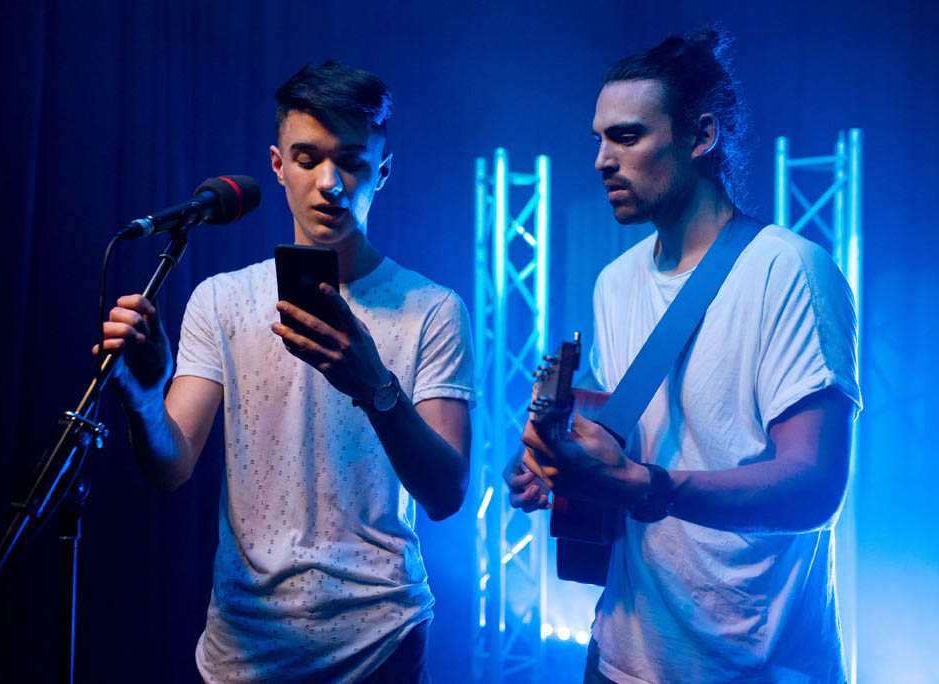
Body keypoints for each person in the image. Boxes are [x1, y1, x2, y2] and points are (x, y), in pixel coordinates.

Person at [99, 61, 474, 683]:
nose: (330, 183)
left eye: (351, 162)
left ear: (381, 171)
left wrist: (374, 387)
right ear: (277, 166)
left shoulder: (432, 309)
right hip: (243, 648)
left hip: (379, 641)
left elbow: (446, 494)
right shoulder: (222, 299)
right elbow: (170, 468)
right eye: (307, 158)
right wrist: (143, 400)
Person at [505, 29, 860, 683]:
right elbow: (631, 430)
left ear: (701, 136)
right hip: (619, 656)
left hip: (751, 666)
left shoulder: (789, 271)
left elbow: (816, 488)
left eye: (627, 137)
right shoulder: (615, 283)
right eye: (598, 139)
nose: (601, 160)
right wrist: (554, 457)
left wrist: (651, 487)